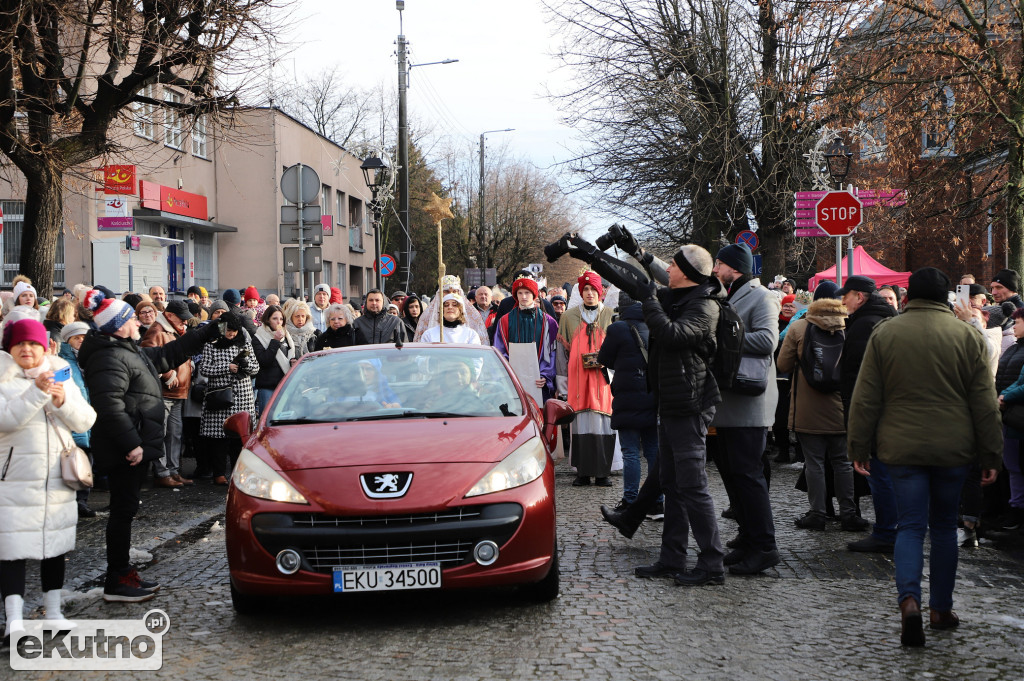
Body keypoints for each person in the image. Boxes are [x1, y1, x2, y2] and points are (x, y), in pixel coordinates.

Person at [847, 267, 1002, 646]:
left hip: (900, 448)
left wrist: (858, 446)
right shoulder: (966, 335)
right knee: (945, 527)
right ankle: (940, 609)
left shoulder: (886, 333)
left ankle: (909, 603)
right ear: (946, 297)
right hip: (953, 448)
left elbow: (866, 396)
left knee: (911, 526)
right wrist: (990, 454)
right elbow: (984, 402)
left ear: (909, 296)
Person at [78, 290, 220, 602]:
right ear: (118, 324)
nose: (136, 320)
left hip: (135, 443)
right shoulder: (108, 356)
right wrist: (132, 444)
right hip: (126, 448)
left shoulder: (125, 348)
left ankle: (123, 572)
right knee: (122, 511)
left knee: (125, 511)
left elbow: (165, 355)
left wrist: (205, 333)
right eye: (129, 317)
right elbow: (109, 405)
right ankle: (117, 579)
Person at [624, 245, 727, 586]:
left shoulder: (705, 304)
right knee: (671, 484)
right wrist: (632, 253)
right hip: (671, 403)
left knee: (693, 486)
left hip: (690, 404)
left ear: (687, 271)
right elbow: (648, 279)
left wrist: (649, 300)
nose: (667, 267)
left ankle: (712, 565)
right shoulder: (684, 294)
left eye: (673, 263)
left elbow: (671, 334)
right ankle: (672, 558)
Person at [0, 319, 96, 639]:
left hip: (57, 477)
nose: (27, 350)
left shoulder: (61, 374)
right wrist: (38, 394)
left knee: (54, 545)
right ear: (10, 348)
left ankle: (53, 612)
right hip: (14, 478)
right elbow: (6, 420)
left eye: (33, 344)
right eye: (20, 345)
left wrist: (61, 401)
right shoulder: (3, 377)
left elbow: (86, 419)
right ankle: (14, 619)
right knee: (11, 547)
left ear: (45, 347)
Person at [709, 243, 781, 576]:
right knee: (734, 474)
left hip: (750, 402)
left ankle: (764, 546)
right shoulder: (730, 294)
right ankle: (750, 538)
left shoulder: (761, 296)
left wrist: (721, 339)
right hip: (730, 401)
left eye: (718, 264)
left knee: (749, 476)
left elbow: (768, 340)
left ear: (734, 268)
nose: (714, 270)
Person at [777, 295, 862, 530]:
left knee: (814, 463)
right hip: (842, 406)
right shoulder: (851, 327)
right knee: (843, 463)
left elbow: (782, 365)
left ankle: (817, 514)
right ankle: (849, 514)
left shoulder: (799, 327)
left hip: (808, 407)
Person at [834, 275, 899, 553]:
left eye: (845, 296)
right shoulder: (886, 319)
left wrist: (857, 420)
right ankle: (892, 529)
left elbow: (859, 378)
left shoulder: (865, 325)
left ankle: (886, 532)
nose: (842, 301)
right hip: (891, 410)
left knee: (879, 474)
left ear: (859, 297)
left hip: (874, 413)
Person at [596, 292, 657, 509]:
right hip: (653, 395)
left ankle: (630, 501)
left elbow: (603, 359)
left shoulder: (617, 328)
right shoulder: (656, 325)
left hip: (627, 397)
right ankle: (656, 502)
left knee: (630, 452)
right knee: (653, 451)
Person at [557, 271, 616, 487]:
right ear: (580, 292)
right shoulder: (568, 317)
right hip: (578, 379)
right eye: (586, 290)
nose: (590, 293)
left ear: (600, 292)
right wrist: (561, 383)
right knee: (580, 423)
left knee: (603, 423)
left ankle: (603, 472)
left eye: (593, 290)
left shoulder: (610, 315)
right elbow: (562, 355)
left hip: (602, 380)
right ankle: (582, 472)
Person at [140, 300, 197, 488]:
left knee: (175, 434)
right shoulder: (157, 331)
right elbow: (147, 357)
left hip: (177, 392)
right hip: (164, 392)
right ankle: (162, 472)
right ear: (170, 316)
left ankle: (172, 471)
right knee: (163, 433)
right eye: (182, 319)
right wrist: (166, 373)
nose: (185, 323)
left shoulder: (175, 330)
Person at [199, 312, 258, 485]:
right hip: (221, 397)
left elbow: (256, 368)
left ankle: (237, 472)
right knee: (219, 439)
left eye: (234, 330)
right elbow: (204, 370)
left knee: (238, 439)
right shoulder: (211, 345)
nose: (231, 334)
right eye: (228, 330)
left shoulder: (244, 343)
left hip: (243, 396)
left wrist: (246, 366)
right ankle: (218, 473)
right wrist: (227, 367)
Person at [493, 277, 560, 402]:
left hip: (539, 382)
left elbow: (553, 352)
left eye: (527, 292)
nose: (523, 296)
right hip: (513, 380)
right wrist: (508, 373)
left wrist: (546, 375)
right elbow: (500, 350)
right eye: (520, 293)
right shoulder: (505, 321)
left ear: (534, 295)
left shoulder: (548, 322)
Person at [58, 321, 95, 518]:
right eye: (76, 338)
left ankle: (82, 500)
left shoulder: (92, 358)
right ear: (68, 340)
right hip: (73, 421)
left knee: (85, 463)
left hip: (90, 418)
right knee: (72, 461)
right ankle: (71, 502)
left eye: (83, 337)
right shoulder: (63, 362)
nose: (81, 341)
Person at [251, 305, 296, 415]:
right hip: (267, 386)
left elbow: (289, 355)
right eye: (274, 319)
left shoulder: (287, 336)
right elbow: (264, 361)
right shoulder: (259, 337)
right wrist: (275, 341)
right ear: (268, 320)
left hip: (285, 385)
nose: (278, 322)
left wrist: (292, 361)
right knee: (267, 418)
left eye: (281, 319)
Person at [416, 275, 489, 344]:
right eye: (447, 291)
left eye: (454, 291)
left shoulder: (471, 333)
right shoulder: (428, 331)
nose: (450, 307)